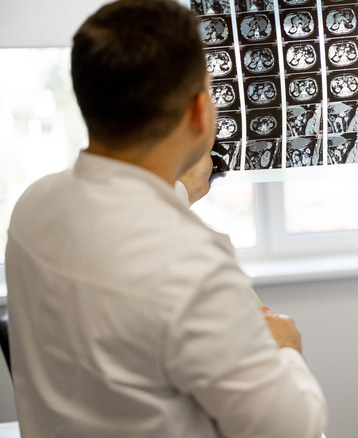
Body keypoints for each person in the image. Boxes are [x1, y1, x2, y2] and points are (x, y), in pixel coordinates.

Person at [4, 1, 327, 437]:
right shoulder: (192, 262)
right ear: (200, 112)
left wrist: (182, 189)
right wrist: (285, 349)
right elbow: (291, 428)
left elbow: (116, 220)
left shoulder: (33, 205)